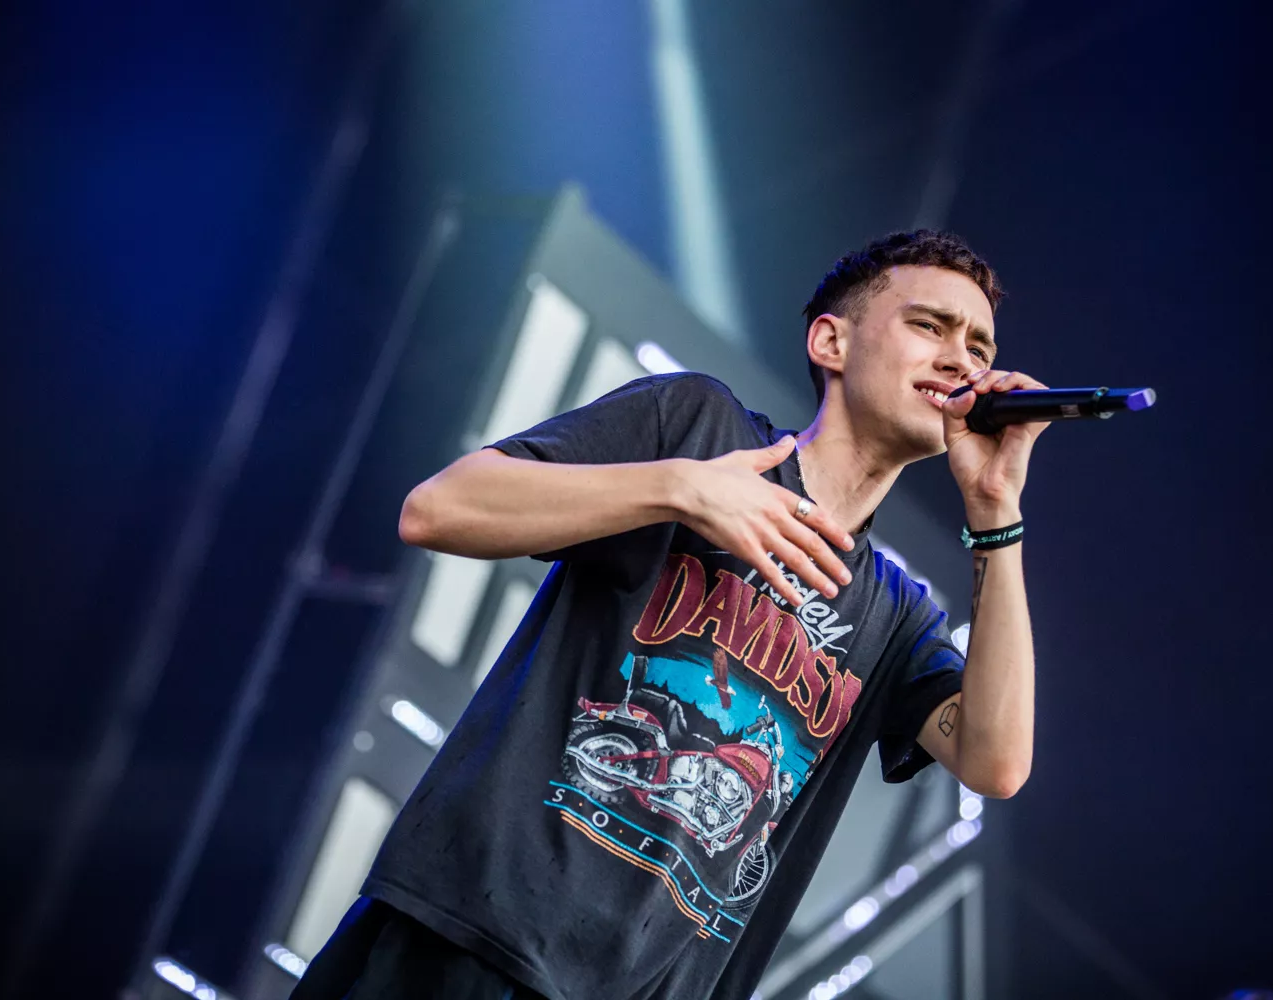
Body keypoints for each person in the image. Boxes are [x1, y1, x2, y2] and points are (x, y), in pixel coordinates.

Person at [291, 229, 1045, 1000]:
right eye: (930, 326)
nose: (961, 360)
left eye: (979, 347)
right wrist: (678, 488)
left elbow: (996, 763)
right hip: (470, 940)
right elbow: (437, 510)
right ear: (832, 342)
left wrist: (996, 509)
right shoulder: (699, 427)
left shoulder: (896, 614)